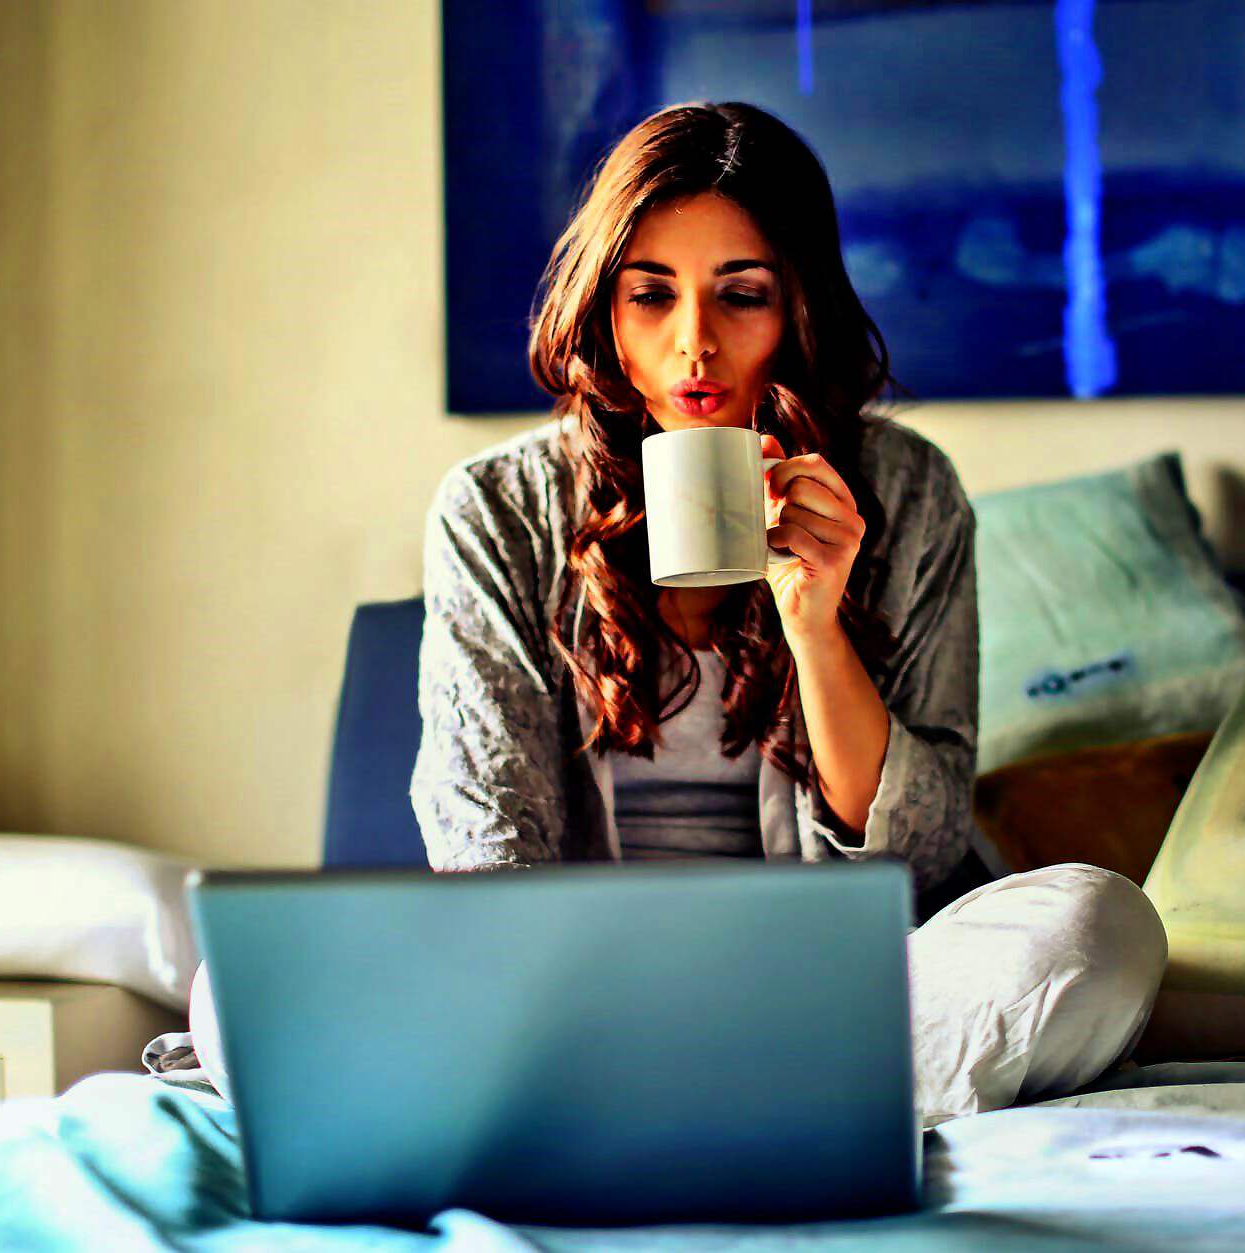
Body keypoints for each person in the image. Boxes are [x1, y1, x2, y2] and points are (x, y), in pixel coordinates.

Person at [186, 101, 1165, 1131]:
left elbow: (914, 854)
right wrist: (547, 994)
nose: (693, 344)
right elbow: (484, 834)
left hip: (830, 993)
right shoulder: (500, 508)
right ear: (603, 310)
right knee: (234, 994)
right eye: (651, 296)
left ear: (798, 307)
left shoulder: (907, 494)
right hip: (568, 991)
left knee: (1098, 928)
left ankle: (614, 1107)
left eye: (740, 295)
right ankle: (746, 1103)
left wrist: (815, 619)